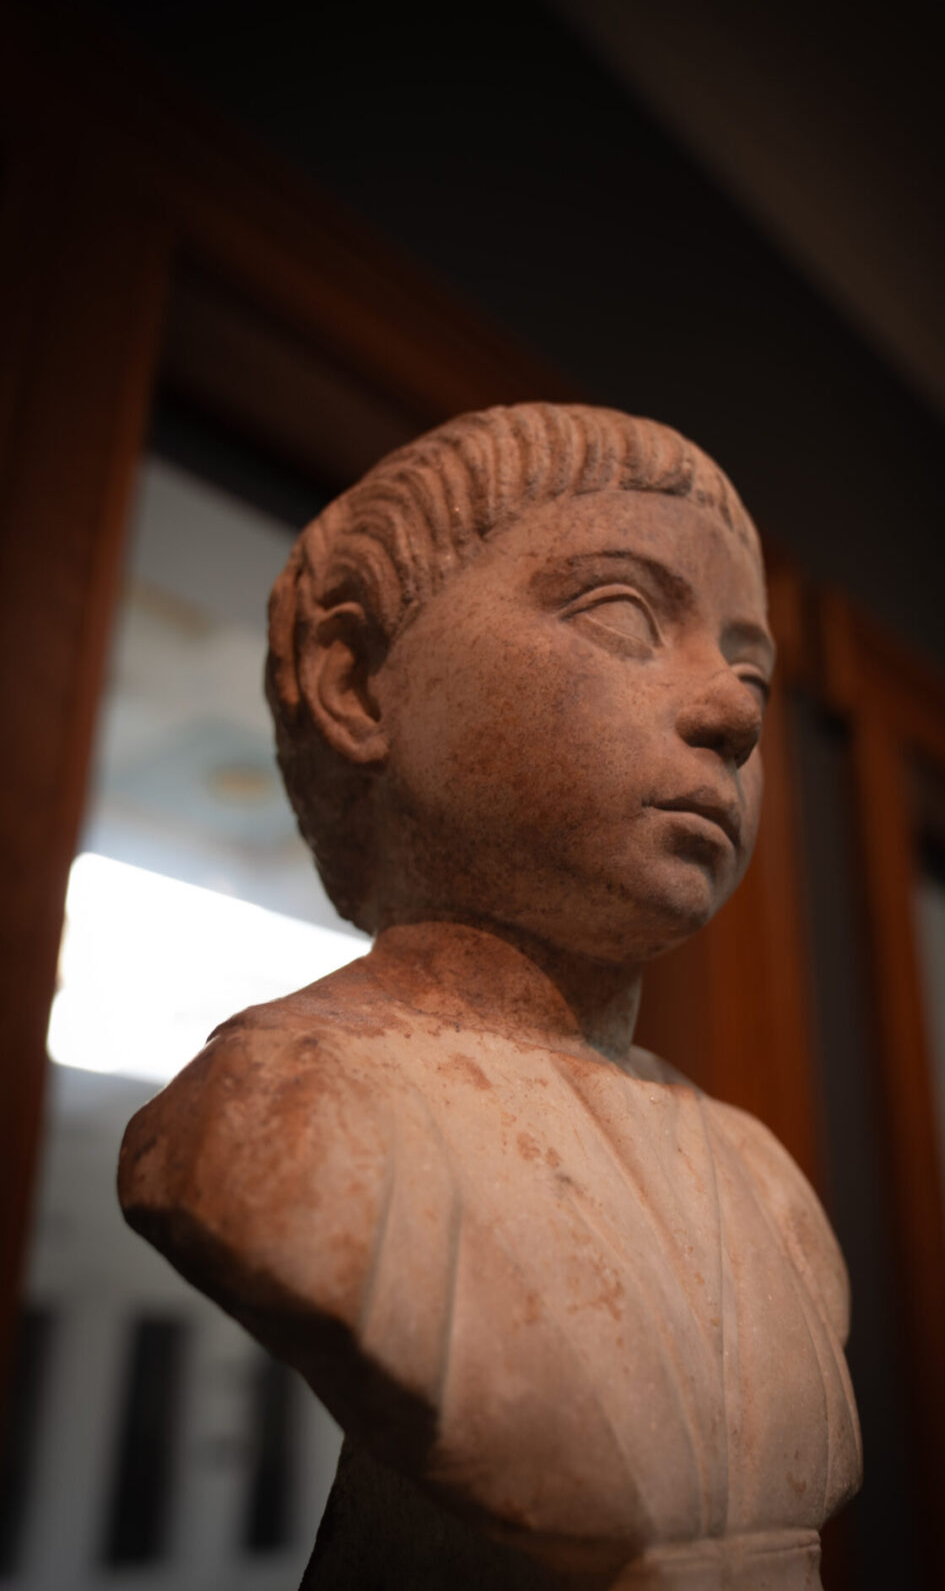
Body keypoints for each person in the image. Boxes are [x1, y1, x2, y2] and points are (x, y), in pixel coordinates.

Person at [119, 404, 861, 1589]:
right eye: (622, 613)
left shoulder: (765, 1189)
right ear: (358, 680)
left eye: (748, 668)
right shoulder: (285, 1113)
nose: (733, 714)